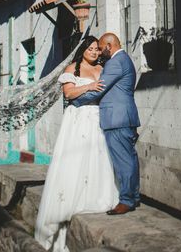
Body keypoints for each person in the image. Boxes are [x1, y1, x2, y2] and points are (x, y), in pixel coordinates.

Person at [34, 36, 118, 251]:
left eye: (97, 50)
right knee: (77, 161)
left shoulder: (102, 68)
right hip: (78, 119)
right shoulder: (74, 68)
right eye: (90, 49)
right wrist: (89, 86)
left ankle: (97, 198)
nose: (94, 52)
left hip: (98, 117)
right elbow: (69, 93)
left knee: (99, 158)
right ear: (82, 50)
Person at [71, 32, 140, 215]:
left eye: (101, 48)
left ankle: (126, 200)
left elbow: (99, 90)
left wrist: (75, 102)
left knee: (123, 160)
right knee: (130, 158)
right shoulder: (124, 59)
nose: (100, 53)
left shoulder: (116, 62)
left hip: (117, 118)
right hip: (123, 117)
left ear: (109, 46)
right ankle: (133, 196)